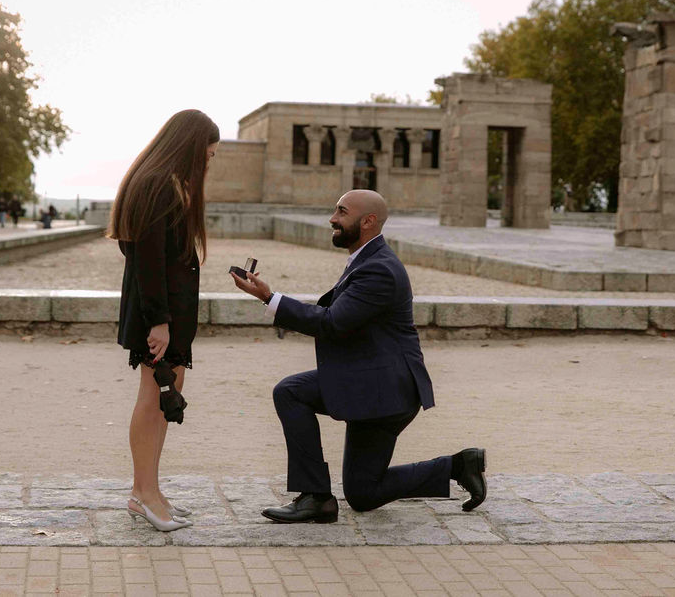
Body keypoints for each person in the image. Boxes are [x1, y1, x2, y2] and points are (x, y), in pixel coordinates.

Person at [231, 190, 486, 523]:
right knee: (363, 493)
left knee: (290, 391)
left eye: (341, 212)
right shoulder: (368, 259)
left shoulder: (379, 269)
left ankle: (316, 497)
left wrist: (271, 298)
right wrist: (274, 301)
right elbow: (338, 317)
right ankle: (458, 466)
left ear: (368, 221)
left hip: (385, 390)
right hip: (373, 381)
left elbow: (333, 323)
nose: (332, 219)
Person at [108, 109, 219, 532]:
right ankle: (145, 495)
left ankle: (146, 491)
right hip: (159, 313)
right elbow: (147, 258)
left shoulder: (161, 182)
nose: (209, 161)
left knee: (163, 396)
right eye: (207, 153)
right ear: (189, 146)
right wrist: (158, 320)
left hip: (166, 312)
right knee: (154, 398)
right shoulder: (158, 185)